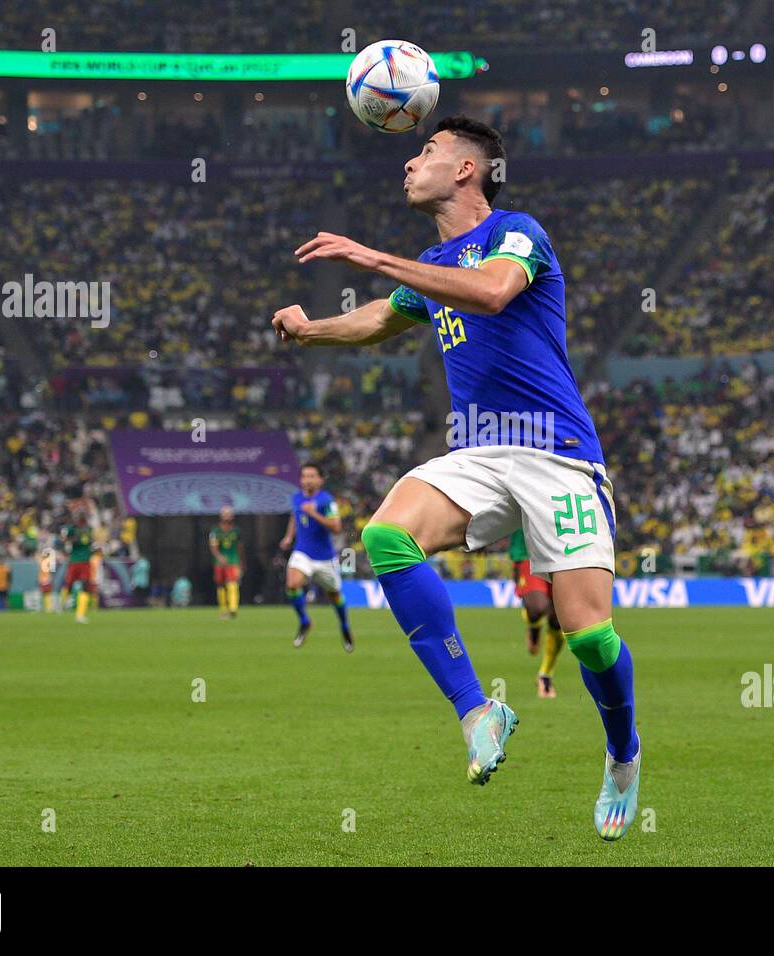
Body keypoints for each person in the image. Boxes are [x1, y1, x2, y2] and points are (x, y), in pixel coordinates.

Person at [272, 116, 640, 840]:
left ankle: (623, 753)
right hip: (476, 452)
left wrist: (371, 256)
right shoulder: (435, 262)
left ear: (468, 169)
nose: (410, 164)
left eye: (427, 151)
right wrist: (313, 329)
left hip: (556, 450)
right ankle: (479, 710)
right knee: (385, 537)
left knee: (588, 633)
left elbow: (494, 292)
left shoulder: (517, 233)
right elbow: (386, 317)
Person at [278, 464, 352, 651]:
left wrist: (313, 513)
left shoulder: (326, 501)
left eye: (312, 476)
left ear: (320, 480)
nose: (307, 479)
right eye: (304, 476)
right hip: (302, 551)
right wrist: (288, 536)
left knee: (334, 594)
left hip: (325, 557)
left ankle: (344, 626)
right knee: (292, 584)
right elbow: (295, 516)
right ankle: (305, 621)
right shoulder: (296, 498)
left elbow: (336, 527)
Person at [510, 529, 564, 699]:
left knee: (559, 619)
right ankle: (533, 625)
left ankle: (545, 675)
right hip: (528, 550)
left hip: (563, 551)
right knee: (537, 607)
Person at [209, 506, 243, 620]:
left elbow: (240, 547)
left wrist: (241, 562)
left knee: (232, 582)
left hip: (233, 561)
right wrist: (219, 557)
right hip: (219, 563)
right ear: (221, 516)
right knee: (221, 585)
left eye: (229, 514)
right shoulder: (215, 531)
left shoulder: (236, 531)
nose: (228, 516)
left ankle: (233, 608)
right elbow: (213, 547)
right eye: (225, 514)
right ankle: (223, 609)